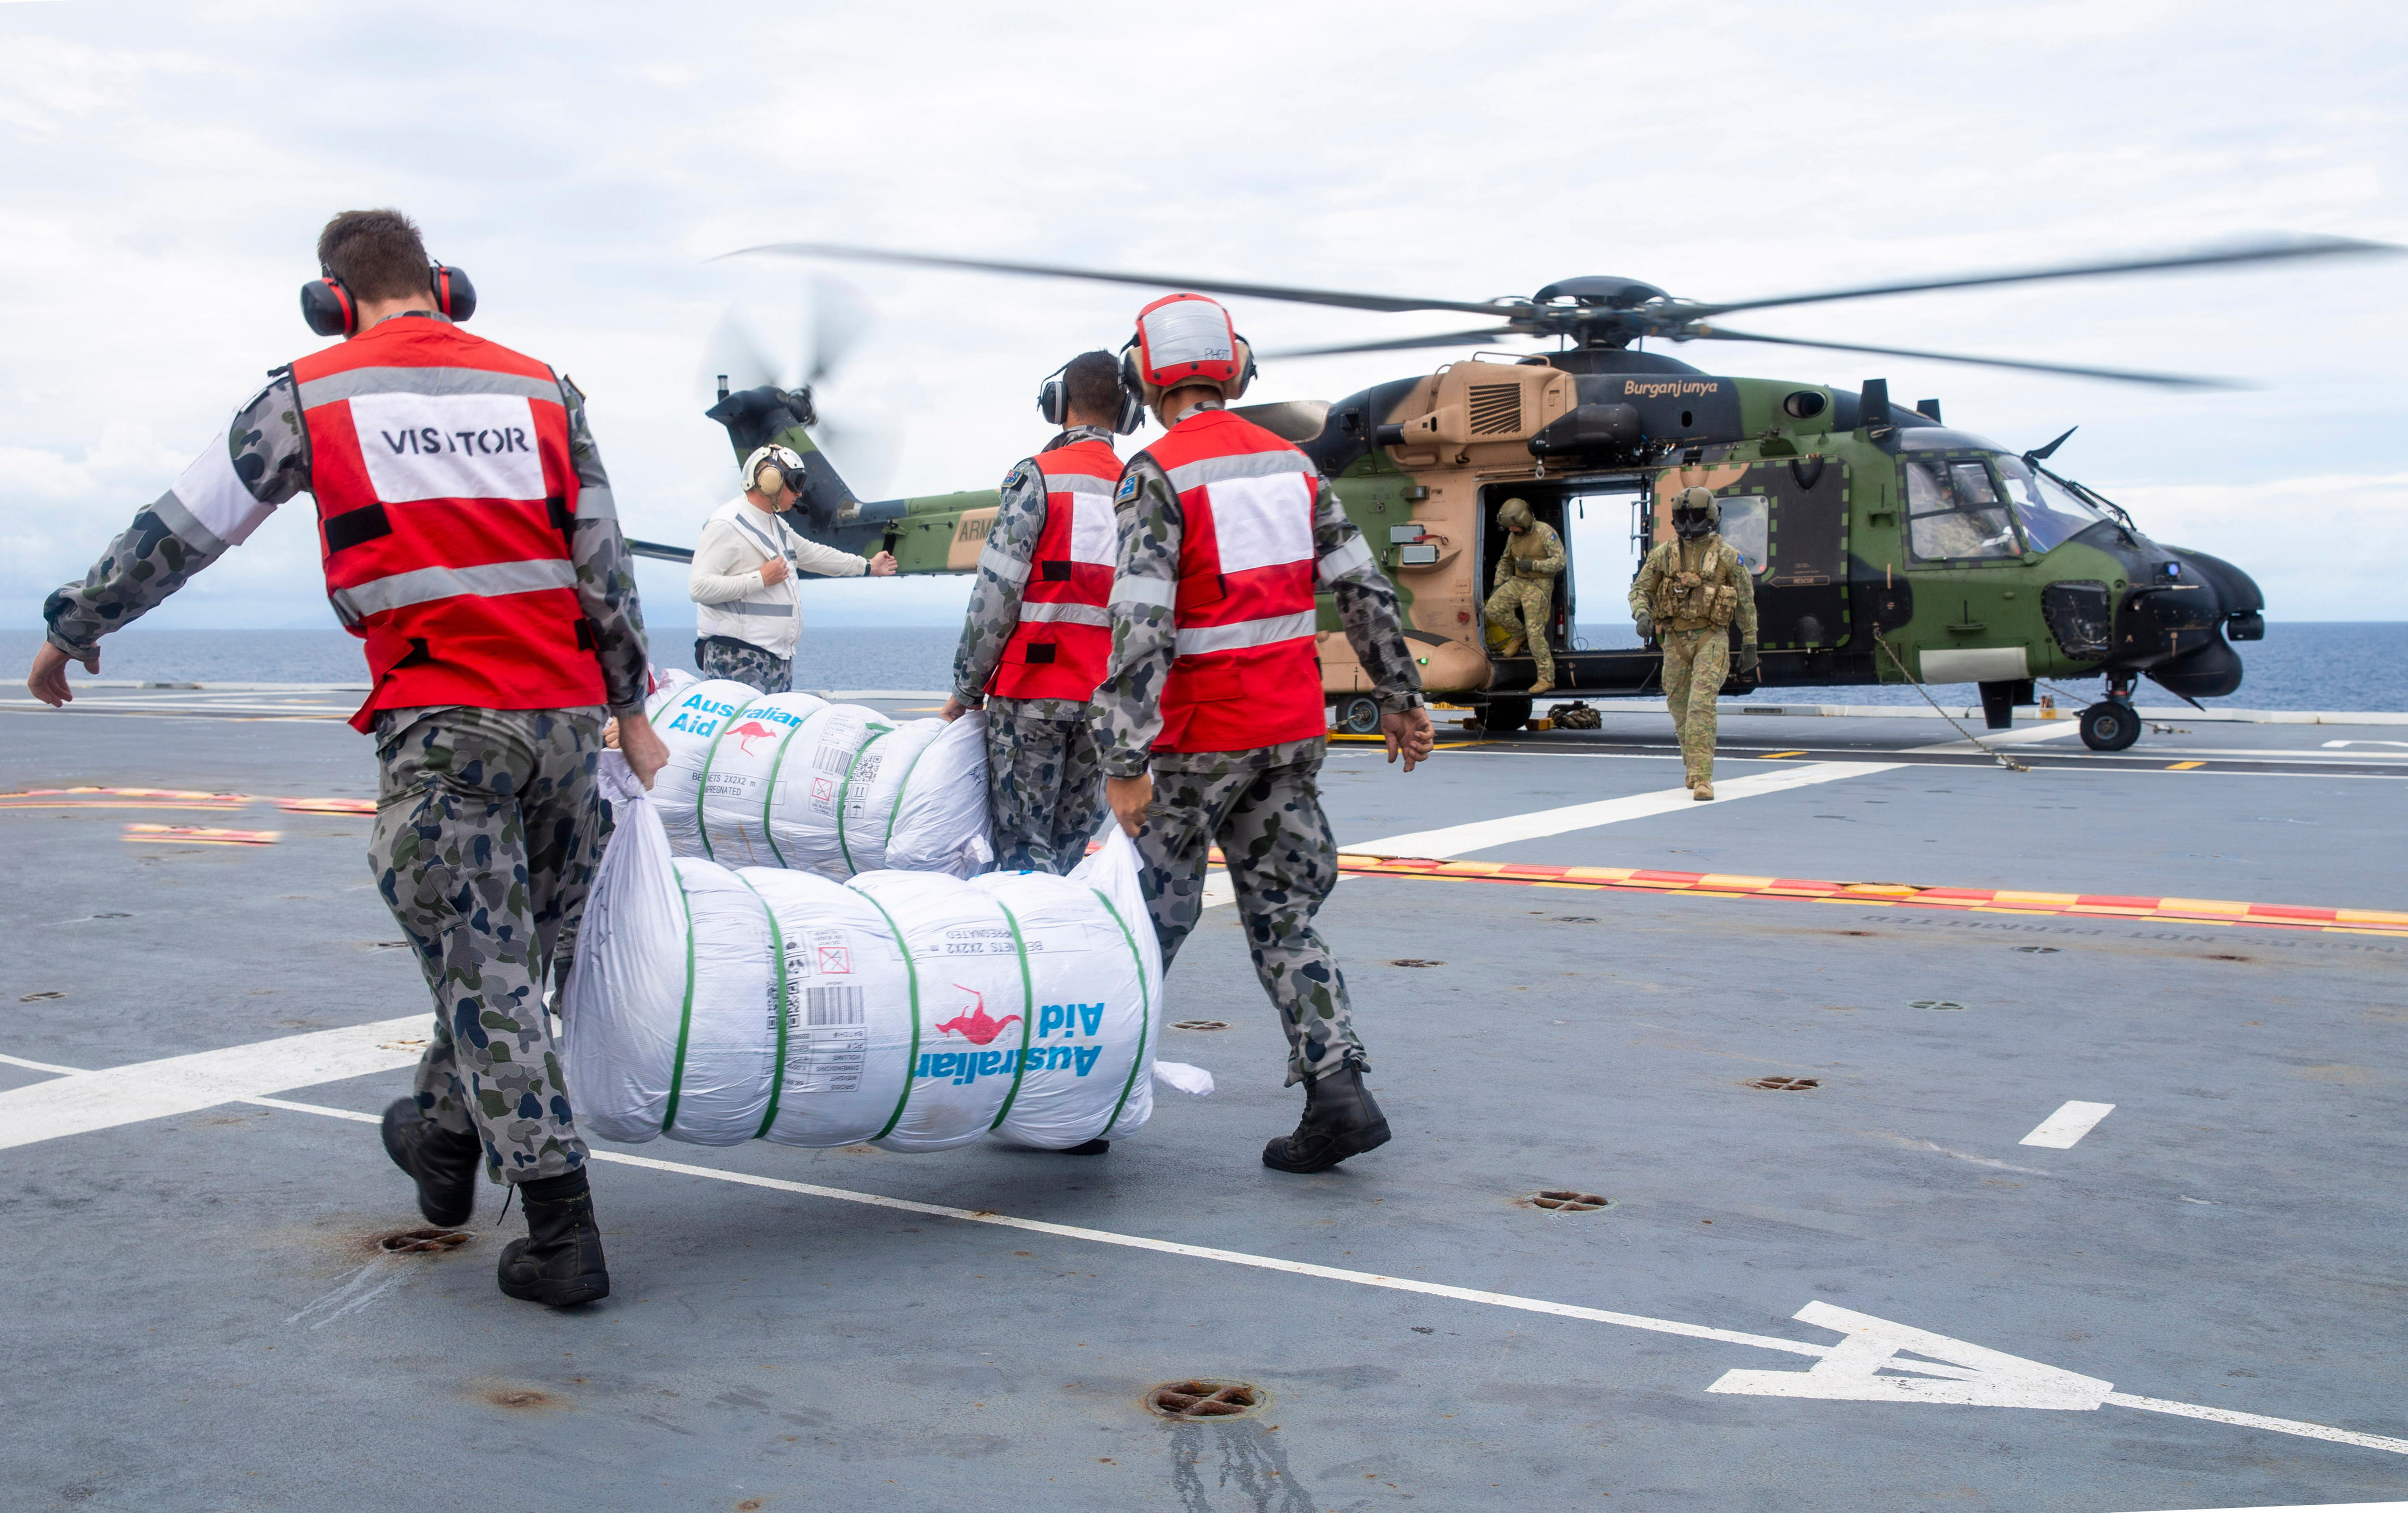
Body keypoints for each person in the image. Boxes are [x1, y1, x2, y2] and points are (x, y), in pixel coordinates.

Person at [26, 209, 671, 1307]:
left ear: (332, 296)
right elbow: (602, 563)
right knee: (505, 957)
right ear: (445, 286)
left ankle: (565, 1234)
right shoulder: (542, 390)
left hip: (447, 722)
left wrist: (75, 624)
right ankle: (440, 1137)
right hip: (567, 725)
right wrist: (632, 709)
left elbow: (182, 527)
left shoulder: (311, 392)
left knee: (490, 966)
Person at [1095, 293, 1435, 1174]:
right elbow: (1364, 585)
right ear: (1238, 367)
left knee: (1140, 922)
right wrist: (1398, 692)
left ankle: (1081, 1091)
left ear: (1146, 376)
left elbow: (1141, 621)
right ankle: (1338, 1090)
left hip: (1193, 743)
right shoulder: (1293, 466)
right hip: (1287, 732)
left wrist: (1124, 755)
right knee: (1286, 919)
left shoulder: (1155, 474)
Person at [941, 351, 1136, 874]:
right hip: (1101, 703)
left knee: (1023, 847)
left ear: (1059, 404)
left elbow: (995, 594)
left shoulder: (1037, 478)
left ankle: (1023, 946)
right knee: (1070, 849)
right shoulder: (1141, 488)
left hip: (1031, 693)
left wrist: (965, 688)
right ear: (1126, 413)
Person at [688, 444, 897, 693]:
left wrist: (868, 566)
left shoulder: (774, 525)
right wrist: (760, 579)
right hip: (737, 656)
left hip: (775, 657)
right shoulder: (726, 525)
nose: (800, 494)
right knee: (741, 732)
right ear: (771, 482)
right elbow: (699, 588)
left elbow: (813, 554)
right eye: (796, 483)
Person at [1629, 485, 1758, 800]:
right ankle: (1693, 768)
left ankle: (1702, 779)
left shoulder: (1728, 558)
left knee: (1701, 706)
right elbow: (1640, 590)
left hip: (1710, 638)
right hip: (1674, 640)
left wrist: (1751, 642)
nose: (1690, 523)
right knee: (1679, 708)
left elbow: (1745, 602)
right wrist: (1642, 615)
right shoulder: (1662, 556)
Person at [1482, 496, 1565, 695]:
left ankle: (1547, 678)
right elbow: (1505, 561)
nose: (1511, 531)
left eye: (1513, 527)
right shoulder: (1513, 537)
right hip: (1519, 582)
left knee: (1536, 634)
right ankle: (1519, 636)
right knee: (1493, 609)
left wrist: (1534, 565)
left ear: (1524, 521)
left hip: (1539, 584)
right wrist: (1498, 584)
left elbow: (1560, 562)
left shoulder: (1545, 533)